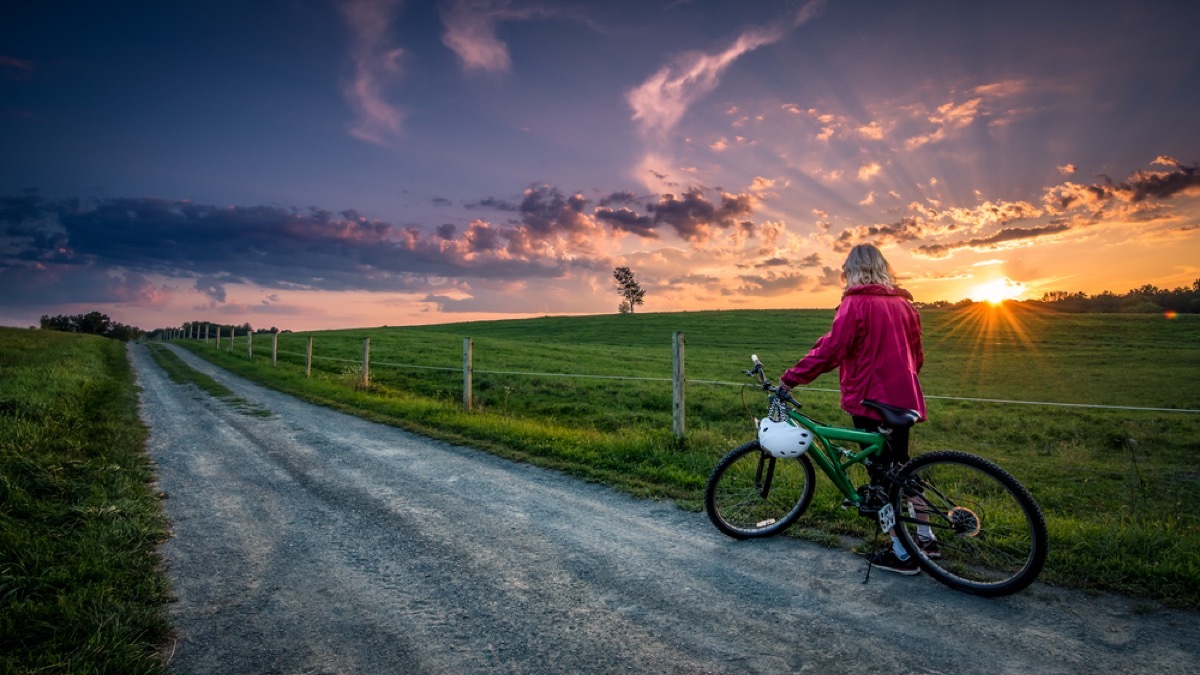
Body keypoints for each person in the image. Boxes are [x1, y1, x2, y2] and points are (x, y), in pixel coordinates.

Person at [777, 243, 929, 575]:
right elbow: (917, 356)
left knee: (880, 477)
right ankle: (927, 536)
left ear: (851, 271)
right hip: (903, 399)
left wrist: (791, 378)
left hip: (870, 400)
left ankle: (902, 553)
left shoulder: (855, 303)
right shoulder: (904, 304)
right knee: (901, 468)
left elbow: (833, 350)